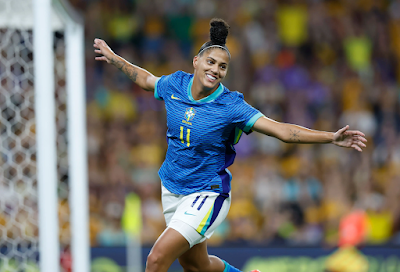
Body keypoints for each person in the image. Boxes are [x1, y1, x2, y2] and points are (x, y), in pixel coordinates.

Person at [94, 18, 367, 272]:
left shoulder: (231, 105)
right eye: (210, 62)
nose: (215, 70)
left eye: (222, 67)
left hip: (207, 193)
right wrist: (115, 58)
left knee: (156, 259)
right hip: (172, 189)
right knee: (196, 266)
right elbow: (146, 79)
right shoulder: (175, 84)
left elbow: (282, 131)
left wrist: (330, 137)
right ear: (196, 61)